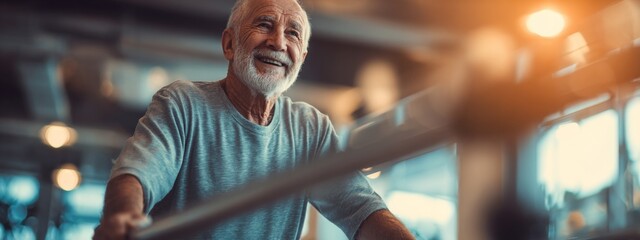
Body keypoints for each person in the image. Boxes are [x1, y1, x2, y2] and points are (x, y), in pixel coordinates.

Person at [93, 0, 414, 239]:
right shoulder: (183, 103)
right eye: (264, 24)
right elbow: (139, 172)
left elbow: (361, 210)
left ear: (300, 58)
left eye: (293, 33)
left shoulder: (310, 128)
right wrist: (123, 216)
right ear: (229, 43)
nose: (278, 42)